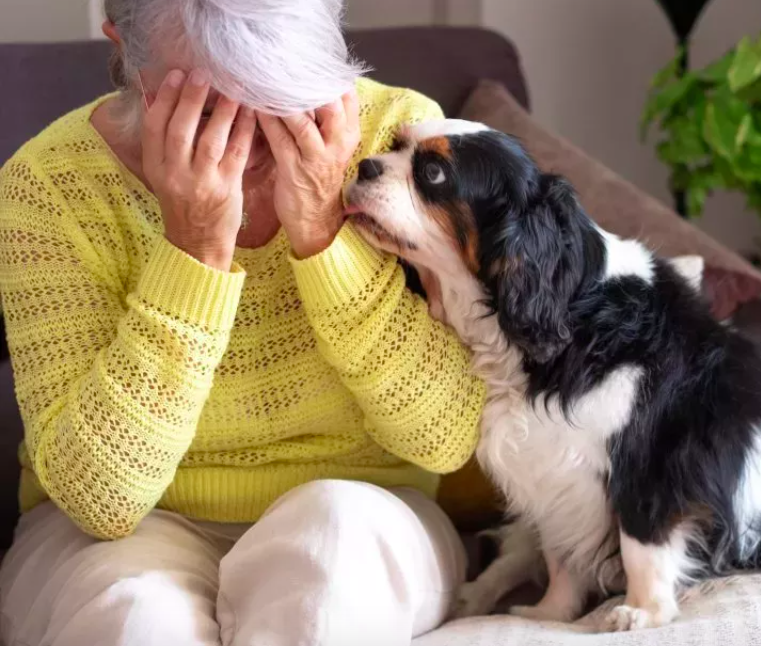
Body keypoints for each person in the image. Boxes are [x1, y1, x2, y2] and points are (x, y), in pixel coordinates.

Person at [0, 1, 485, 644]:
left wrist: (320, 236)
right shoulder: (46, 187)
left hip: (365, 502)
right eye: (211, 109)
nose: (253, 140)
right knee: (138, 618)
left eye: (287, 95)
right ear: (123, 51)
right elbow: (101, 500)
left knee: (332, 564)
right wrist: (194, 252)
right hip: (129, 526)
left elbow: (445, 440)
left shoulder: (401, 142)